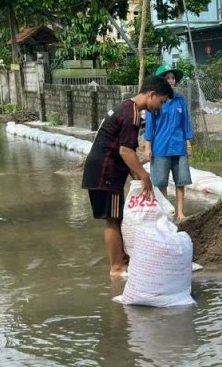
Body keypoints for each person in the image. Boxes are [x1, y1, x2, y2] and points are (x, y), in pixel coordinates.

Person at [82, 74, 171, 277]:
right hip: (106, 173)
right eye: (161, 101)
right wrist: (143, 175)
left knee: (115, 218)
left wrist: (136, 176)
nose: (161, 106)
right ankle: (116, 267)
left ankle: (120, 260)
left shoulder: (126, 106)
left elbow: (123, 150)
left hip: (101, 171)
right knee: (113, 219)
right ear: (151, 95)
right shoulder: (132, 114)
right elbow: (125, 151)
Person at [143, 64, 193, 222]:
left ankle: (180, 213)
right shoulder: (156, 101)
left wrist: (188, 142)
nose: (171, 81)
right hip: (161, 147)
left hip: (178, 147)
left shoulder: (180, 100)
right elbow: (150, 124)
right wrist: (148, 145)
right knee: (161, 182)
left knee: (181, 181)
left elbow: (186, 122)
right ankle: (165, 212)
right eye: (167, 78)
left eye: (172, 78)